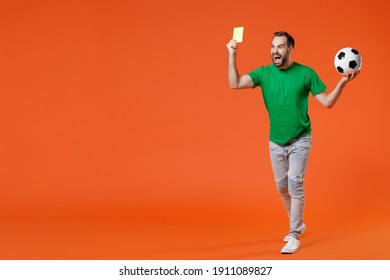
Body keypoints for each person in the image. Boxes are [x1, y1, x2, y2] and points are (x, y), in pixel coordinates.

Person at [226, 31, 359, 254]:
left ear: (290, 49)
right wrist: (232, 55)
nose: (274, 51)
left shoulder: (306, 74)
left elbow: (327, 102)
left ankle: (295, 234)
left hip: (300, 139)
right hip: (275, 142)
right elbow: (235, 83)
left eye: (280, 47)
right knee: (282, 187)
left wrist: (342, 83)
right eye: (272, 46)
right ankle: (298, 221)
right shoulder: (264, 73)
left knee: (295, 183)